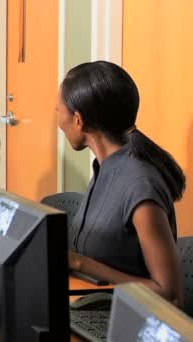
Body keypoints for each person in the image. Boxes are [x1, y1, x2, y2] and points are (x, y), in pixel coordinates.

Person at [57, 61, 184, 306]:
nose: (58, 122)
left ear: (78, 120)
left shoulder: (140, 185)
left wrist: (80, 263)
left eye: (59, 111)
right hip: (93, 307)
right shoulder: (106, 166)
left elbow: (170, 294)